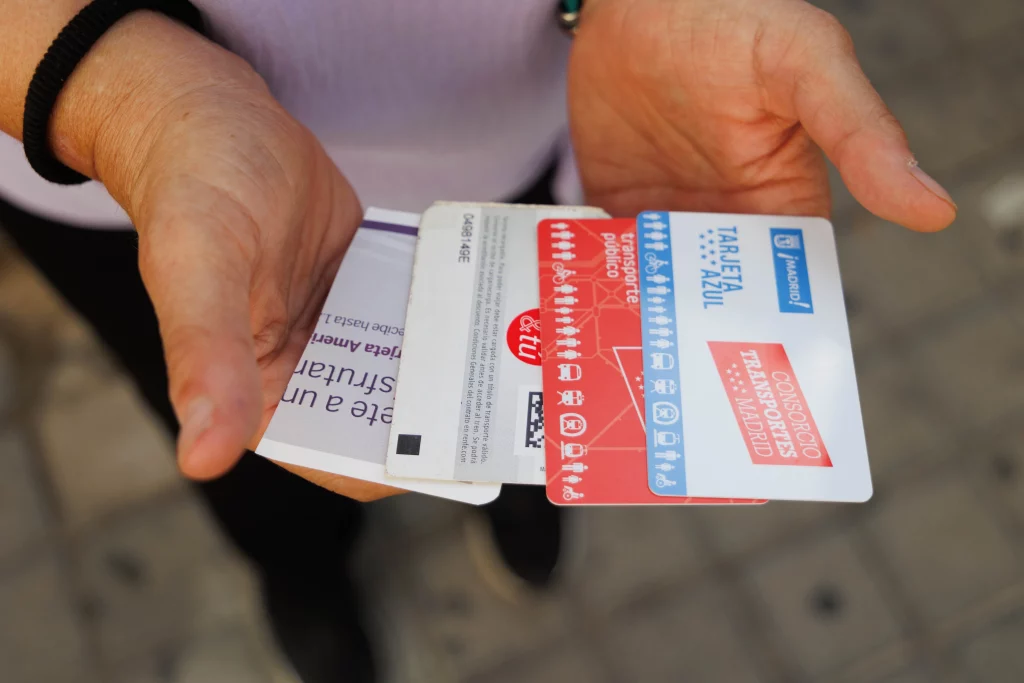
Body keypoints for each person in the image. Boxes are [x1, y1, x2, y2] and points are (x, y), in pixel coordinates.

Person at [0, 1, 956, 681]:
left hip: (521, 112)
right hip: (124, 160)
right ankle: (302, 568)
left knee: (536, 377)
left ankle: (517, 488)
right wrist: (129, 102)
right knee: (242, 427)